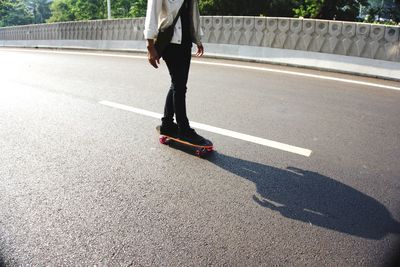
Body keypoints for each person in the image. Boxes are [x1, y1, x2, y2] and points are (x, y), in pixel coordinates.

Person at [144, 0, 208, 145]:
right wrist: (150, 46)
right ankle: (183, 129)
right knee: (179, 86)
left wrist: (197, 39)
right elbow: (152, 13)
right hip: (170, 42)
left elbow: (192, 14)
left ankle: (167, 124)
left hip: (185, 42)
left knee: (177, 84)